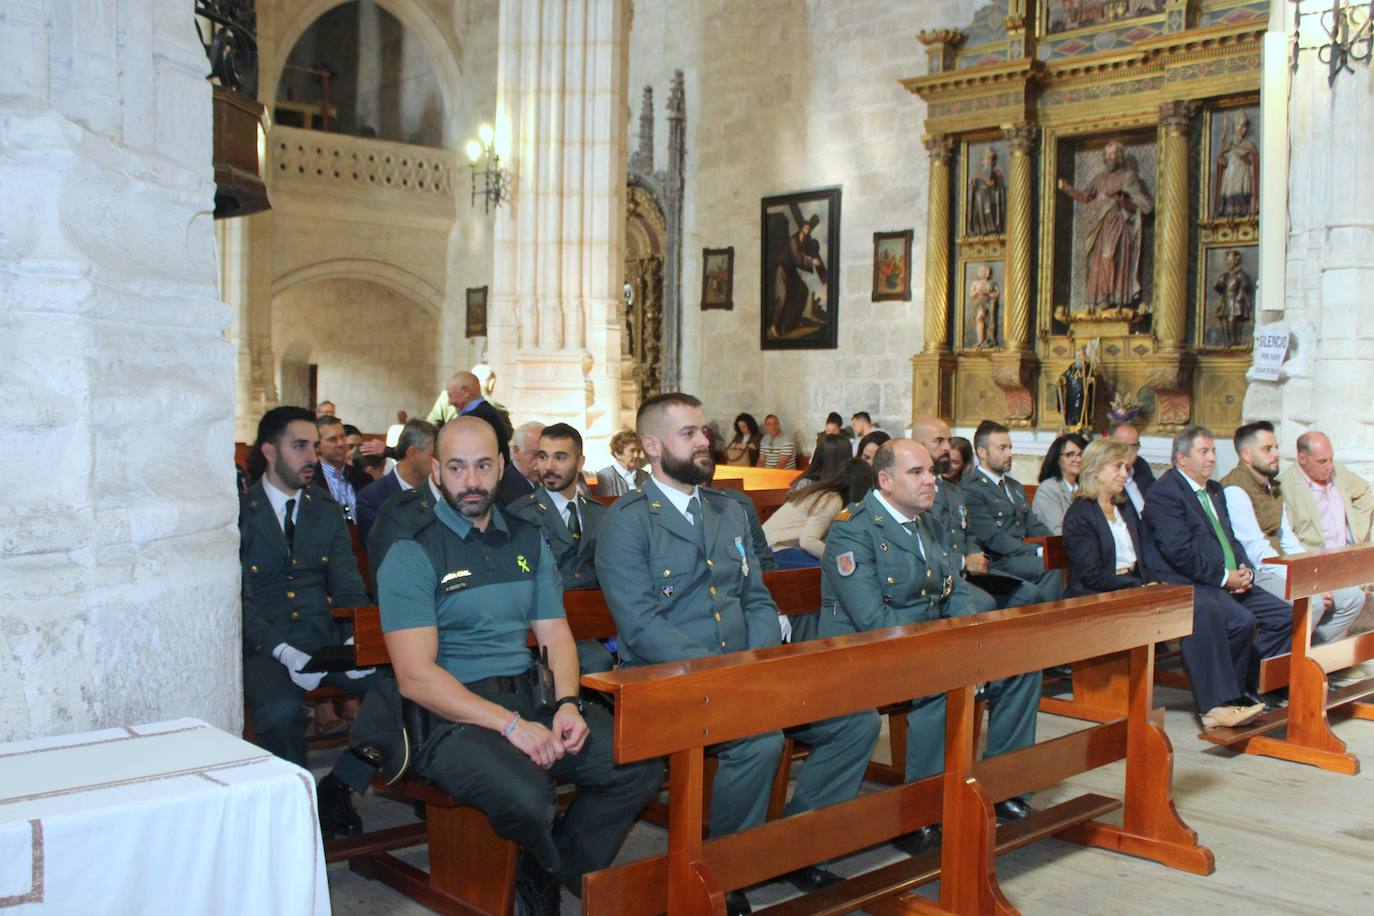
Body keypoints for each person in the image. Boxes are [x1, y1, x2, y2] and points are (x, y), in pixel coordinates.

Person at [596, 393, 878, 911]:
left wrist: (755, 660)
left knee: (856, 720)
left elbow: (756, 596)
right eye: (689, 434)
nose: (705, 441)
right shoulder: (627, 520)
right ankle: (724, 872)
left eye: (704, 430)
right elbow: (639, 624)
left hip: (745, 668)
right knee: (759, 744)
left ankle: (794, 848)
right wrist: (724, 672)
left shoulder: (729, 510)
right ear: (652, 446)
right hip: (668, 679)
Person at [377, 418, 661, 914]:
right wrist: (510, 726)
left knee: (635, 766)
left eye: (484, 466)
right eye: (458, 468)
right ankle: (546, 868)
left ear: (503, 467)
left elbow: (555, 634)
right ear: (437, 473)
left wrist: (569, 704)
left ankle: (544, 868)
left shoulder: (527, 540)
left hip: (532, 697)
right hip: (451, 716)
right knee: (530, 796)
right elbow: (416, 676)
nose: (472, 481)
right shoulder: (413, 551)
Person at [822, 439, 1038, 858]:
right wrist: (945, 650)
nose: (930, 481)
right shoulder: (853, 527)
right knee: (941, 682)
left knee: (1020, 667)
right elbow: (871, 620)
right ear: (885, 481)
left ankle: (1004, 787)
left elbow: (954, 590)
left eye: (931, 472)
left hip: (929, 645)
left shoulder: (928, 522)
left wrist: (963, 640)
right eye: (916, 473)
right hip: (865, 653)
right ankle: (917, 814)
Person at [239, 406, 379, 839]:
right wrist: (281, 649)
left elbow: (350, 587)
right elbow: (236, 600)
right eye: (300, 446)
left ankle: (339, 786)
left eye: (314, 447)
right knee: (280, 712)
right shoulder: (241, 513)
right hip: (265, 645)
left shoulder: (325, 509)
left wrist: (357, 640)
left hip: (321, 639)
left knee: (400, 688)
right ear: (268, 450)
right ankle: (294, 815)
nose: (312, 458)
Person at [1139, 425, 1293, 728]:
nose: (1212, 458)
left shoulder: (1214, 490)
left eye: (1212, 451)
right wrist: (1225, 578)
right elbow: (1179, 551)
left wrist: (1244, 568)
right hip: (1186, 581)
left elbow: (1230, 538)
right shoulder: (1165, 493)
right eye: (1204, 452)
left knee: (1284, 617)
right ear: (1182, 459)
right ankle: (1222, 701)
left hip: (1227, 577)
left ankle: (1247, 686)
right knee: (1241, 622)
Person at [1224, 423, 1363, 644]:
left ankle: (1313, 656)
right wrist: (1304, 583)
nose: (1276, 454)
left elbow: (1288, 540)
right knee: (1313, 602)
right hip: (1255, 572)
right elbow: (1257, 552)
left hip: (1282, 566)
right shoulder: (1235, 490)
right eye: (1267, 449)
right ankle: (1287, 666)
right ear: (1246, 454)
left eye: (1276, 447)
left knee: (1352, 597)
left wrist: (1312, 574)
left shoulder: (1272, 486)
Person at [913, 415, 1048, 615]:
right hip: (940, 574)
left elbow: (968, 533)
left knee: (1027, 594)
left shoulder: (952, 490)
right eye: (939, 441)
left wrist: (974, 553)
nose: (947, 448)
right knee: (984, 604)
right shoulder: (916, 492)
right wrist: (963, 561)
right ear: (918, 445)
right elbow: (924, 543)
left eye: (948, 441)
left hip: (970, 569)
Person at [962, 420, 1065, 604]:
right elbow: (992, 538)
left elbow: (1033, 524)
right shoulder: (972, 488)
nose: (1010, 453)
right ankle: (1047, 625)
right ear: (982, 452)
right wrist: (1036, 551)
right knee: (1049, 567)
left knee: (1058, 560)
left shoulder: (1014, 486)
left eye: (1010, 447)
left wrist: (1056, 545)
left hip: (1018, 556)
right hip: (996, 560)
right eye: (1002, 448)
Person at [1056, 140, 1154, 314]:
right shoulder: (1099, 178)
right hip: (1099, 226)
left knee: (1109, 258)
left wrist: (1122, 200)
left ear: (1119, 156)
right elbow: (1085, 197)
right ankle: (1101, 300)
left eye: (1113, 154)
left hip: (1117, 224)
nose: (1109, 158)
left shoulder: (1127, 177)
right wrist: (1068, 188)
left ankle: (1116, 299)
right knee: (1097, 261)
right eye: (1107, 154)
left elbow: (1144, 205)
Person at [1062, 437, 1152, 598]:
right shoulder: (1080, 514)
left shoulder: (1124, 509)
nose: (1124, 474)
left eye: (1126, 467)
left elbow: (1143, 557)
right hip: (1094, 597)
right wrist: (1138, 585)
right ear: (1095, 468)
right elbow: (1092, 576)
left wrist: (1152, 581)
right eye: (1118, 466)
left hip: (1130, 589)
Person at [1279, 430, 1374, 554]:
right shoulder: (1285, 487)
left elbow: (1363, 491)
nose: (1329, 466)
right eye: (1322, 461)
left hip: (1347, 557)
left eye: (1331, 459)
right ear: (1302, 458)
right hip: (1313, 563)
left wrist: (1357, 535)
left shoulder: (1338, 471)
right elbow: (1284, 538)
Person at [763, 454, 862, 569]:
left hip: (775, 546)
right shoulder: (832, 500)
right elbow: (808, 541)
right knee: (836, 570)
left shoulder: (825, 492)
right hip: (774, 549)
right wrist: (840, 556)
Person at [356, 419, 437, 543]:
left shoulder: (439, 492)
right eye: (434, 455)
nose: (438, 462)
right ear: (413, 453)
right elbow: (377, 549)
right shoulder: (372, 497)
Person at [769, 213, 826, 338]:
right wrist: (812, 261)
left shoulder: (803, 242)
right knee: (782, 297)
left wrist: (813, 252)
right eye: (806, 228)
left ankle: (792, 323)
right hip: (782, 269)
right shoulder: (793, 240)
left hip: (791, 272)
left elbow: (807, 253)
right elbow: (797, 259)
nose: (807, 231)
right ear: (801, 228)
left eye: (809, 229)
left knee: (803, 291)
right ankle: (774, 325)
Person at [1032, 433, 1088, 535]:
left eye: (1081, 454)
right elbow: (1057, 532)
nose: (1078, 459)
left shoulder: (1084, 488)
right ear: (1058, 459)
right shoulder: (1048, 489)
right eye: (1071, 455)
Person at [312, 416, 366, 521]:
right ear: (317, 446)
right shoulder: (311, 480)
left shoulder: (363, 478)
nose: (341, 443)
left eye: (342, 437)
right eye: (333, 439)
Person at [1213, 109, 1259, 219]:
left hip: (1242, 177)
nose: (1243, 130)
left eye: (1244, 127)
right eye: (1240, 126)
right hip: (1230, 178)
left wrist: (1238, 152)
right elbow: (1223, 163)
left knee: (1241, 200)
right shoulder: (1229, 144)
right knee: (1229, 200)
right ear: (1234, 126)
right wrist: (1221, 155)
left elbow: (1252, 162)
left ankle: (1244, 214)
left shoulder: (1249, 145)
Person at [1109, 420, 1154, 513]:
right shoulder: (1108, 475)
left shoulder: (1141, 465)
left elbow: (1156, 497)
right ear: (1111, 445)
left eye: (1134, 446)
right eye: (1124, 446)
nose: (1129, 452)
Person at [1213, 249, 1253, 348]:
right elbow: (1220, 288)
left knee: (1232, 320)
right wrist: (1217, 285)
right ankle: (1227, 340)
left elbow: (1244, 284)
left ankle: (1234, 341)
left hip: (1235, 301)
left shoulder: (1241, 274)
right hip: (1226, 300)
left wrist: (1241, 293)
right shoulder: (1225, 275)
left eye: (1230, 260)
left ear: (1236, 260)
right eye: (1228, 260)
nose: (1229, 262)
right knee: (1224, 320)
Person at [595, 429, 648, 496]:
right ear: (617, 453)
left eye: (638, 451)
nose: (636, 455)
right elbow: (608, 503)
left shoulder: (644, 476)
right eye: (632, 451)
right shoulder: (606, 476)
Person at [968, 146, 1006, 236]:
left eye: (989, 159)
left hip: (988, 194)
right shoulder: (981, 172)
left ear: (992, 161)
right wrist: (972, 183)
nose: (987, 161)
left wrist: (986, 181)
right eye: (986, 159)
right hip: (979, 194)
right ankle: (980, 229)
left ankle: (991, 228)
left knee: (987, 211)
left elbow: (993, 184)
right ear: (983, 161)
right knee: (979, 211)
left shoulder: (995, 171)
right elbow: (977, 184)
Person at [968, 264, 1000, 349]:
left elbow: (997, 293)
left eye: (985, 271)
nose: (983, 273)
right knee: (979, 319)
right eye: (982, 271)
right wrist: (977, 292)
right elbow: (971, 294)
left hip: (989, 303)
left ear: (988, 273)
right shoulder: (976, 283)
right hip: (979, 303)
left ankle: (987, 340)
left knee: (988, 321)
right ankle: (980, 340)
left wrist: (991, 294)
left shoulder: (992, 283)